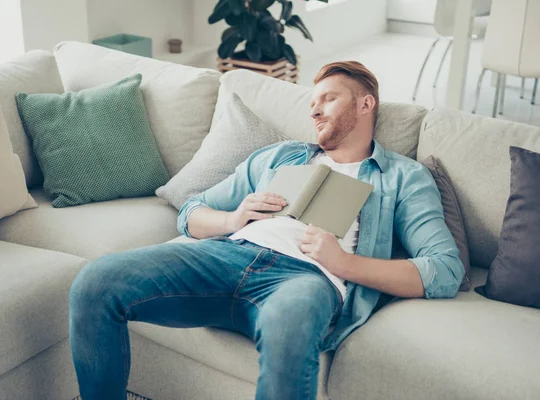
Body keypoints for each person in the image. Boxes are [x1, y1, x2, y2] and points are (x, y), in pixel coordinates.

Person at [69, 61, 465, 400]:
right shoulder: (280, 157)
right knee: (95, 281)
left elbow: (444, 269)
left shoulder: (403, 176)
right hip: (227, 255)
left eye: (328, 98)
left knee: (290, 331)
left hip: (307, 279)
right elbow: (190, 211)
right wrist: (232, 218)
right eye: (312, 103)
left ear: (365, 104)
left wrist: (344, 263)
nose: (315, 110)